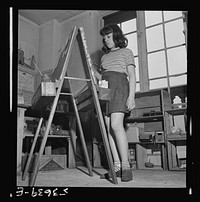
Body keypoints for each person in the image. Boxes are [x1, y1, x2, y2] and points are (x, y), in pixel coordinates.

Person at [93, 24, 136, 182]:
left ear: (116, 36)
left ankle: (126, 167)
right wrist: (94, 73)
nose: (105, 39)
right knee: (109, 129)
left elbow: (131, 75)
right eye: (104, 37)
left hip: (120, 86)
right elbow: (102, 77)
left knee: (116, 125)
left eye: (108, 36)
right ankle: (116, 167)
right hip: (106, 89)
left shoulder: (126, 52)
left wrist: (131, 97)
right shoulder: (104, 57)